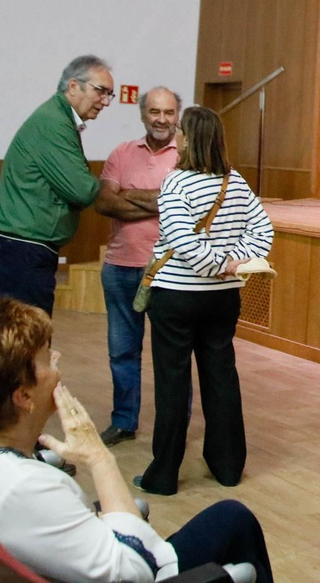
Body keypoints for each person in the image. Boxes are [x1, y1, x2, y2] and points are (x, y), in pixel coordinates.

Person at [0, 297, 274, 583]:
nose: (57, 364)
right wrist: (99, 459)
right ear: (23, 396)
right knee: (234, 519)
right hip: (130, 569)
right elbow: (137, 571)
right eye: (47, 358)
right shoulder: (28, 487)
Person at [137, 106, 274, 496]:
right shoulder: (236, 181)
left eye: (180, 129)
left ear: (189, 137)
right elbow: (263, 231)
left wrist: (216, 264)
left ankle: (162, 475)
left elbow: (182, 242)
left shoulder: (176, 183)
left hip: (176, 298)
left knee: (172, 386)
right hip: (222, 301)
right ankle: (228, 467)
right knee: (221, 380)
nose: (175, 134)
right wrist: (232, 265)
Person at [0, 55, 117, 314]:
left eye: (109, 95)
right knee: (28, 337)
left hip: (24, 245)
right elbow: (82, 190)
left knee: (26, 335)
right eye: (100, 91)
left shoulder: (59, 118)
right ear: (73, 86)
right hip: (24, 247)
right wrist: (107, 187)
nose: (105, 101)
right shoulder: (53, 123)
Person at [94, 86, 181, 446]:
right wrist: (162, 200)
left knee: (171, 356)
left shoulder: (188, 156)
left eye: (169, 112)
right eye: (155, 112)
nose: (162, 119)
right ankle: (124, 421)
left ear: (178, 115)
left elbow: (186, 204)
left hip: (169, 270)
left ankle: (173, 426)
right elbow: (103, 203)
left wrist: (128, 196)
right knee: (122, 351)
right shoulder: (121, 152)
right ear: (143, 114)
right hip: (119, 267)